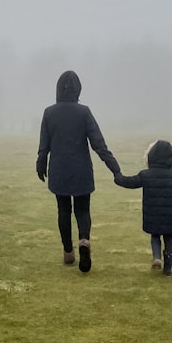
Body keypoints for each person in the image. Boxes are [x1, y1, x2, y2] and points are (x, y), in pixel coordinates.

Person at [36, 70, 121, 272]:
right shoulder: (84, 112)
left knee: (63, 210)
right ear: (78, 89)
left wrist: (40, 164)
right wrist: (115, 169)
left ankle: (68, 252)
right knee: (82, 209)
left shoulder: (49, 113)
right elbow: (99, 144)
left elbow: (44, 145)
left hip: (59, 170)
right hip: (81, 170)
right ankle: (84, 240)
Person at [114, 139, 172, 276]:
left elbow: (131, 182)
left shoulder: (145, 175)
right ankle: (168, 269)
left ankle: (157, 257)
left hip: (152, 214)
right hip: (170, 215)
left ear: (150, 157)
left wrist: (118, 177)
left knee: (155, 236)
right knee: (169, 240)